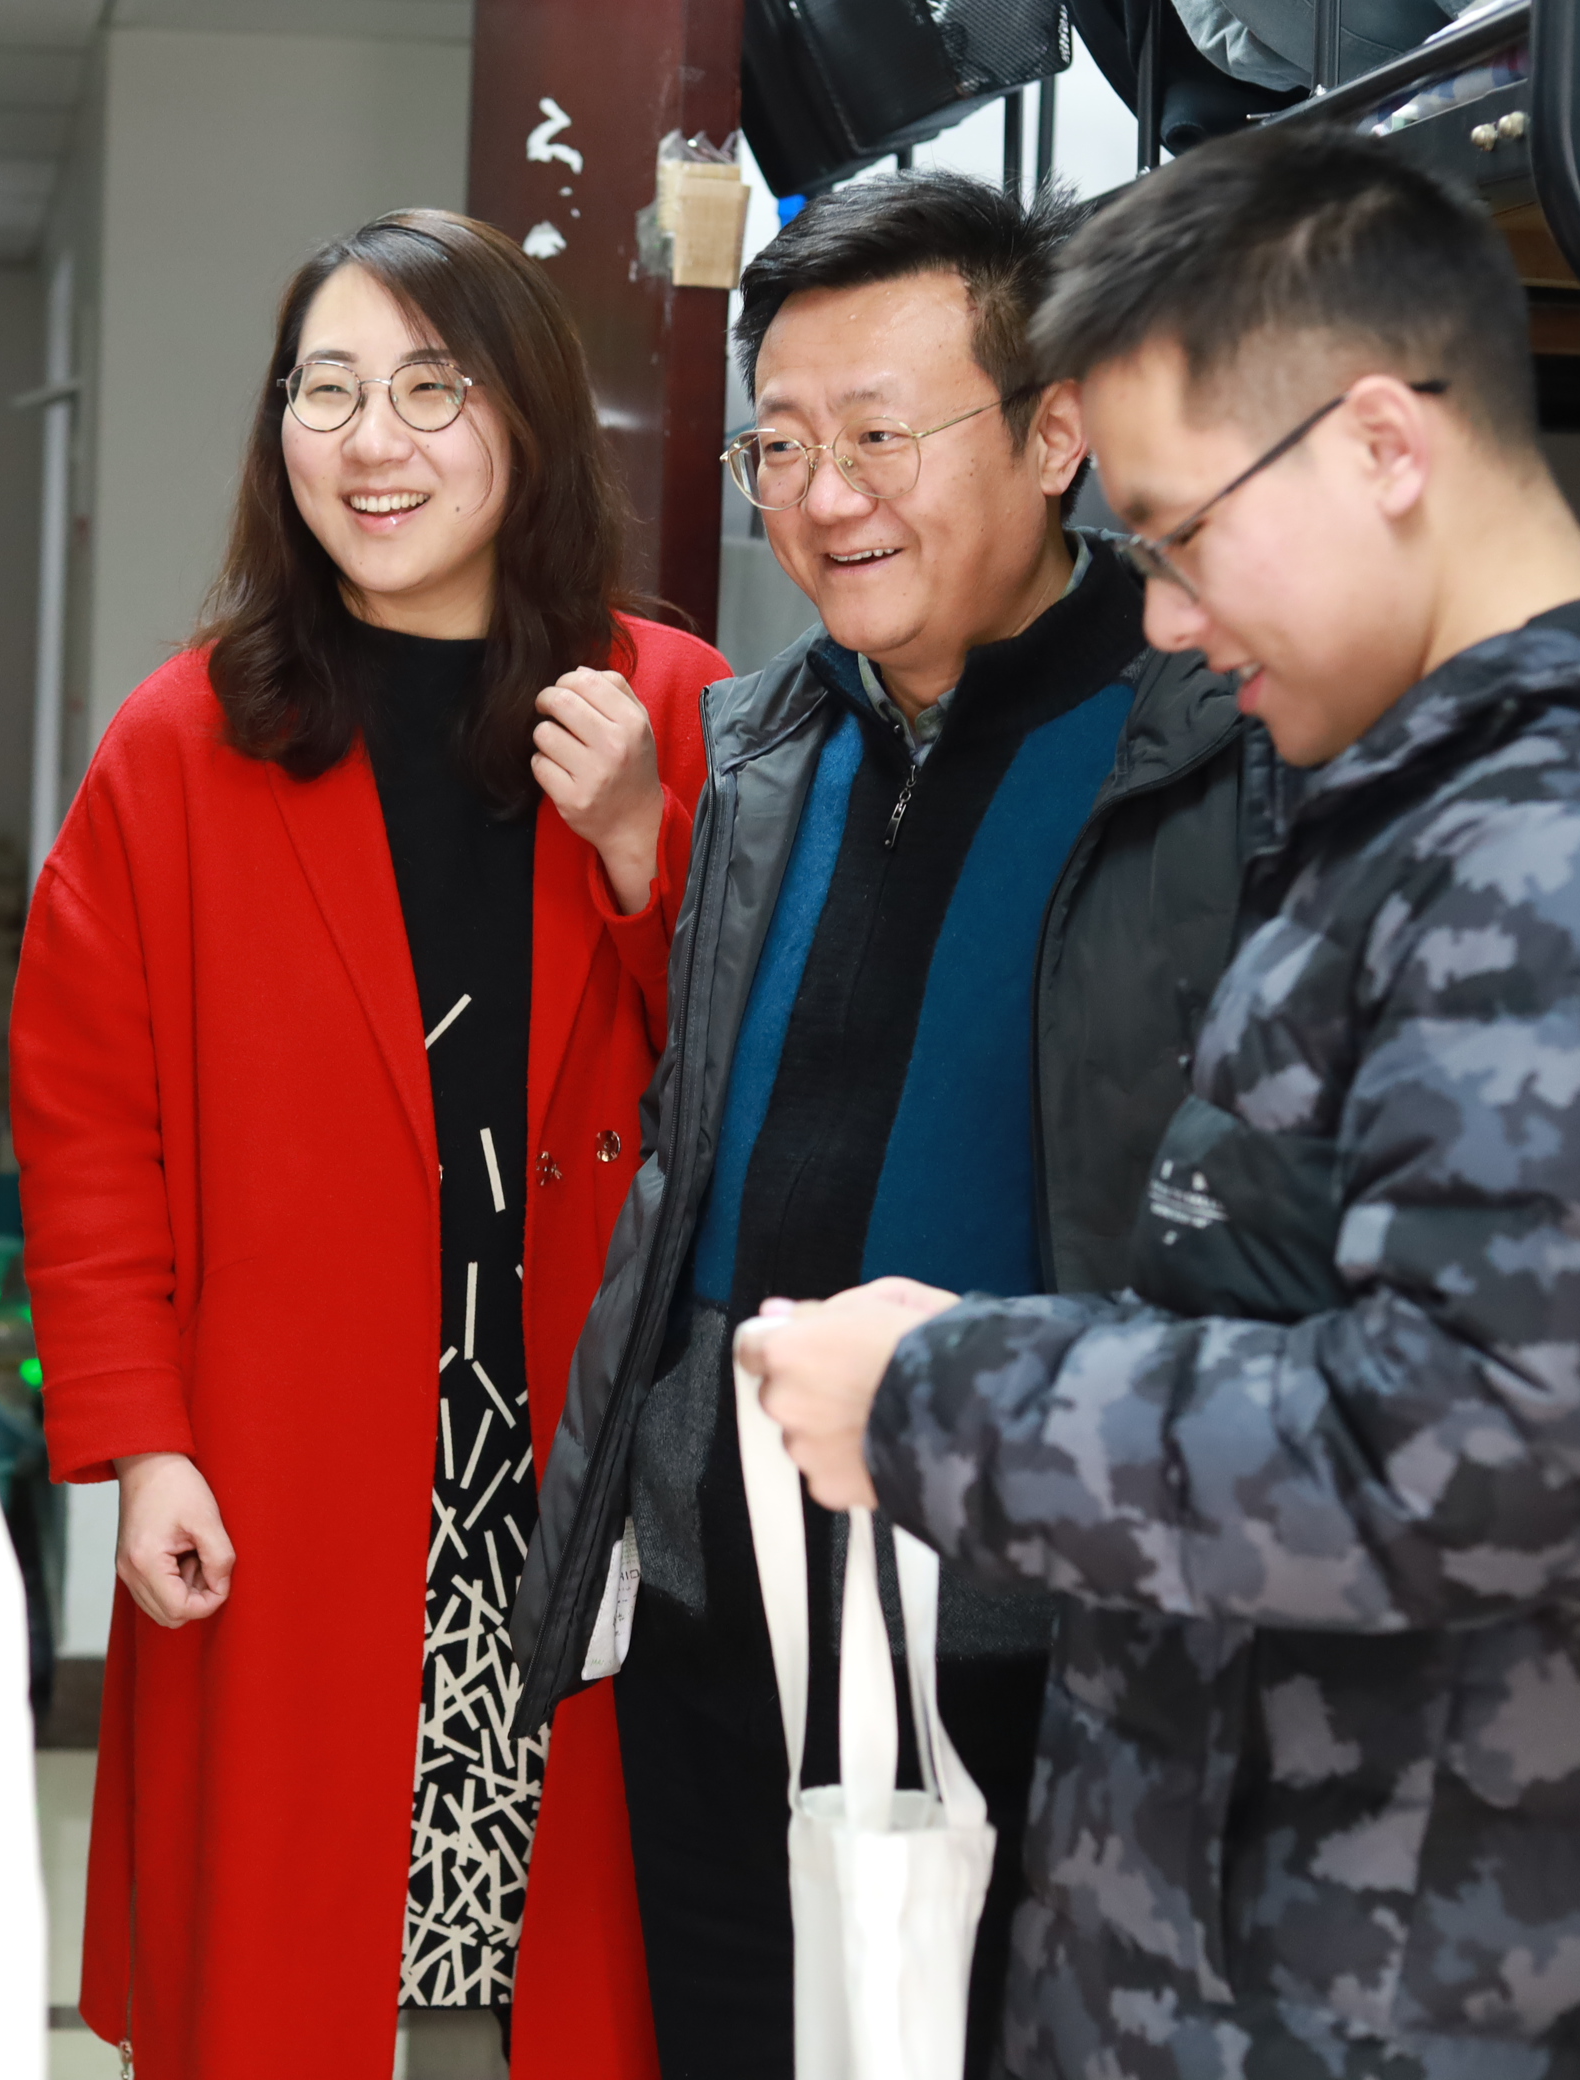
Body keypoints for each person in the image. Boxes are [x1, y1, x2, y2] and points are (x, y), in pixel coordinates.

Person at [742, 125, 1580, 2076]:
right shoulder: (1431, 817)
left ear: (1385, 444)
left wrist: (934, 1395)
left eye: (1179, 536)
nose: (1163, 618)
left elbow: (1457, 1453)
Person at [508, 170, 1250, 2076]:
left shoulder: (1206, 748)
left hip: (1028, 1625)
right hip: (719, 1599)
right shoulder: (763, 741)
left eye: (881, 435)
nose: (825, 497)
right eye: (781, 443)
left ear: (1056, 434)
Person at [10, 209, 724, 2080]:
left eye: (431, 387)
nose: (372, 440)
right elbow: (88, 1122)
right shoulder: (187, 738)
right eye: (326, 390)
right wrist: (142, 1440)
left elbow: (766, 1078)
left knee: (563, 1986)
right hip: (288, 1467)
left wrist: (645, 857)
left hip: (575, 1467)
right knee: (292, 1971)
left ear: (530, 422)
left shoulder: (666, 708)